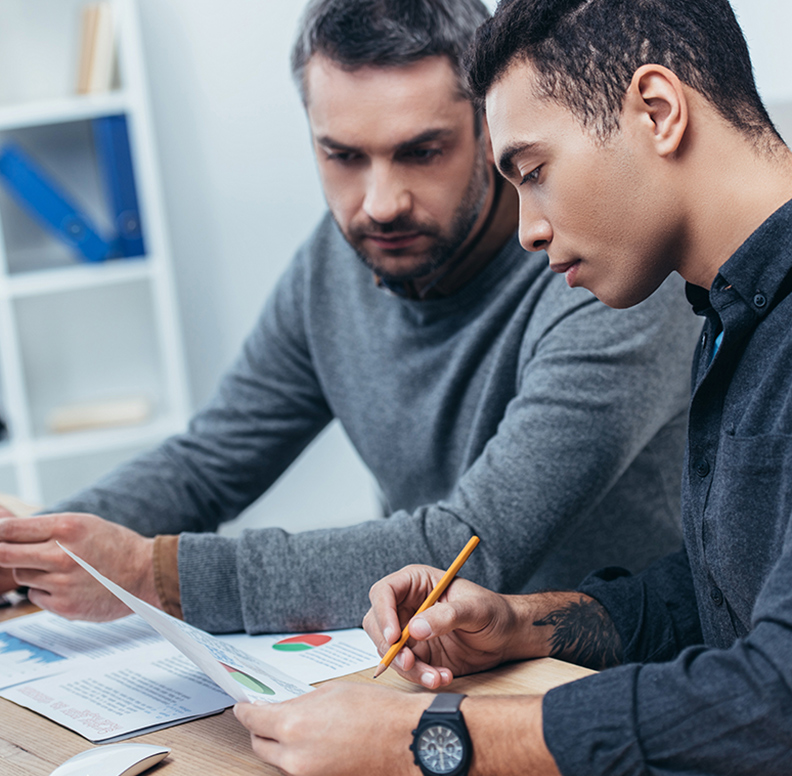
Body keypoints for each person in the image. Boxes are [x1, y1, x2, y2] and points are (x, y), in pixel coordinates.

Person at [0, 0, 699, 635]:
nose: (381, 202)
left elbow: (469, 547)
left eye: (421, 152)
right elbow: (209, 465)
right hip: (423, 656)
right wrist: (32, 543)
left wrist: (151, 574)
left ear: (491, 127)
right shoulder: (336, 265)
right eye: (342, 156)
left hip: (608, 678)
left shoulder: (601, 268)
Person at [231, 0, 792, 776]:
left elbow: (774, 705)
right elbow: (724, 599)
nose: (527, 229)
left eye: (533, 173)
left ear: (657, 112)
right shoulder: (740, 313)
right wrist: (523, 624)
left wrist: (429, 738)